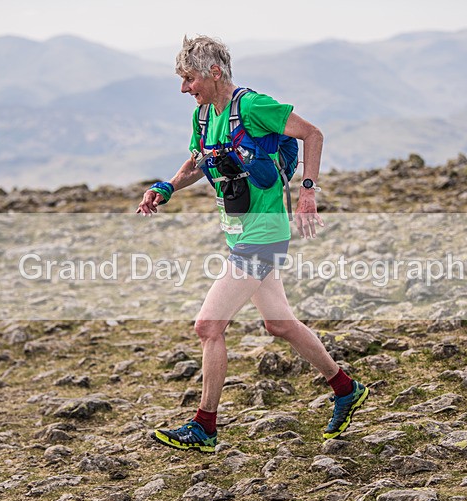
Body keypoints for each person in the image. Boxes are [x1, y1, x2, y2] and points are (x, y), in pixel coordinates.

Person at [136, 36, 368, 453]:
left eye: (189, 79)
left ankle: (204, 426)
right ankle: (346, 388)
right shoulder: (204, 116)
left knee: (208, 327)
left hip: (263, 235)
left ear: (214, 72)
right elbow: (197, 162)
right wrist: (166, 187)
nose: (184, 88)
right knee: (279, 324)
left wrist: (308, 191)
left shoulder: (255, 106)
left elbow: (312, 134)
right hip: (239, 233)